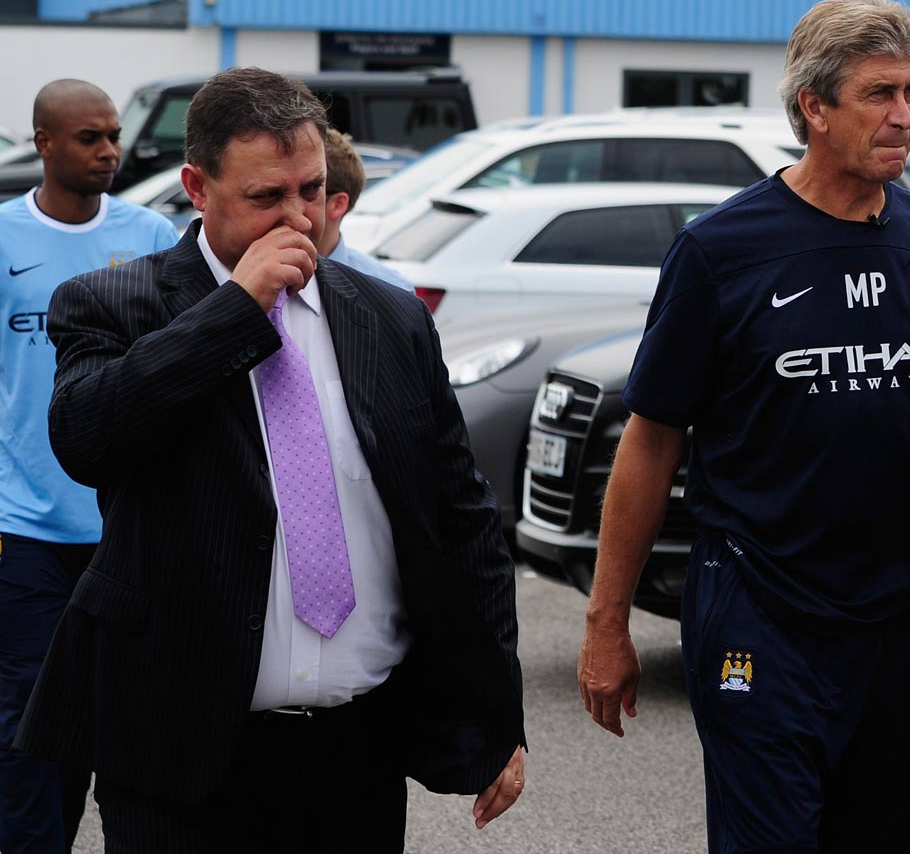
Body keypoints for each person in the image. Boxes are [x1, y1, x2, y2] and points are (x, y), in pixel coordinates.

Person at [578, 0, 910, 852]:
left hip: (903, 625)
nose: (903, 116)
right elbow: (651, 442)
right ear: (814, 106)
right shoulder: (720, 251)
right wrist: (606, 622)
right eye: (879, 94)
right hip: (760, 615)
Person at [15, 67, 527, 851]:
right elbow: (89, 438)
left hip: (355, 750)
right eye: (266, 197)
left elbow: (462, 521)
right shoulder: (113, 303)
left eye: (311, 190)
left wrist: (496, 713)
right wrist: (234, 311)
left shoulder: (388, 317)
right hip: (181, 757)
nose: (298, 218)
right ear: (197, 187)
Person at [0, 80, 178, 854]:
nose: (109, 150)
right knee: (30, 721)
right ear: (44, 142)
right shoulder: (3, 237)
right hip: (25, 528)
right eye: (89, 138)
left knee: (134, 718)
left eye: (113, 136)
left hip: (130, 525)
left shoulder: (152, 235)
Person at [318, 129, 411, 291]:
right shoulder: (270, 278)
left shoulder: (390, 289)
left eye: (309, 190)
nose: (289, 204)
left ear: (338, 204)